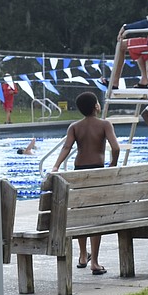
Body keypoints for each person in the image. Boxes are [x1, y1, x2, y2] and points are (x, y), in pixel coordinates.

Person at [52, 92, 121, 275]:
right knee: (95, 216)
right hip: (97, 171)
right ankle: (95, 262)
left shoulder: (74, 127)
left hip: (79, 171)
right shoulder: (105, 125)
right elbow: (115, 147)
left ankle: (83, 255)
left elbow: (67, 147)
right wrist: (113, 164)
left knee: (80, 213)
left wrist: (56, 166)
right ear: (96, 106)